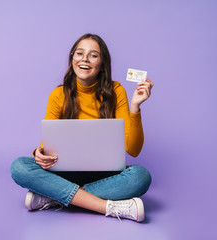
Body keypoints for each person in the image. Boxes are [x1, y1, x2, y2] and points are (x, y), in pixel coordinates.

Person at [10, 33, 154, 222]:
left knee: (140, 177)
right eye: (79, 53)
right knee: (19, 166)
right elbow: (48, 146)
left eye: (93, 55)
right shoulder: (58, 95)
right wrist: (39, 153)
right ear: (72, 59)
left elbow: (133, 149)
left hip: (104, 176)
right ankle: (108, 207)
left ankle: (53, 198)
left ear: (102, 64)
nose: (84, 59)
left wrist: (135, 107)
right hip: (65, 174)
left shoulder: (116, 91)